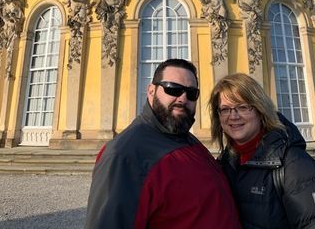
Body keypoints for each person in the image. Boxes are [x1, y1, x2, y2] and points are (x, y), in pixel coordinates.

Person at [85, 59, 242, 229]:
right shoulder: (125, 155)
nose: (182, 98)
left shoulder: (183, 137)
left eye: (191, 93)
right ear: (151, 91)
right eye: (172, 89)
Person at [209, 73, 315, 229]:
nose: (233, 116)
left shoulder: (292, 163)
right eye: (225, 109)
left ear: (260, 110)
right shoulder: (226, 164)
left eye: (242, 107)